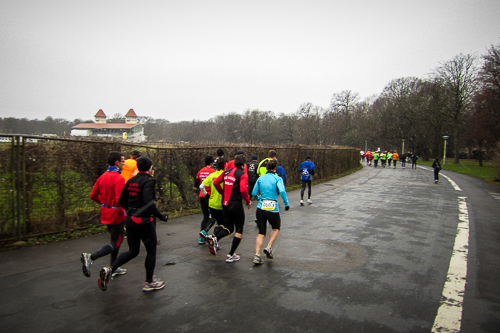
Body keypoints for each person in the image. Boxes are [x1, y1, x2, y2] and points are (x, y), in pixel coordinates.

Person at [97, 156, 169, 292]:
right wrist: (160, 216)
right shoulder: (149, 181)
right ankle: (149, 282)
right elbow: (149, 202)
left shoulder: (131, 180)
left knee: (133, 251)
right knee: (151, 250)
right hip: (144, 221)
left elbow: (122, 200)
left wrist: (131, 210)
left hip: (130, 219)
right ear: (149, 168)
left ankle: (110, 269)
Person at [81, 152, 126, 279]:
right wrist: (129, 210)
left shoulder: (102, 176)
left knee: (117, 239)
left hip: (105, 213)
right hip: (116, 214)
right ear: (117, 163)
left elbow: (93, 195)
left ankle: (114, 267)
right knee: (115, 242)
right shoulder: (119, 178)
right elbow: (120, 200)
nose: (124, 164)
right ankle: (91, 257)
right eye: (122, 161)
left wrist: (105, 203)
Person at [211, 155, 251, 263]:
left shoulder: (226, 172)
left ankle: (215, 238)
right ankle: (230, 255)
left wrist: (221, 192)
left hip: (225, 204)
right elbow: (243, 189)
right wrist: (248, 201)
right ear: (243, 165)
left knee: (229, 228)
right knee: (239, 229)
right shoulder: (243, 175)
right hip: (235, 204)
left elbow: (215, 182)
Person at [251, 160, 290, 265]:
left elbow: (254, 192)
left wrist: (259, 198)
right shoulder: (277, 179)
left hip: (261, 207)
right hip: (273, 207)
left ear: (267, 168)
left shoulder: (260, 178)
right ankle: (268, 247)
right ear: (275, 168)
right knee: (276, 227)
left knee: (261, 232)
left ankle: (257, 255)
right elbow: (282, 191)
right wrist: (286, 204)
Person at [199, 158, 226, 241]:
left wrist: (207, 195)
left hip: (211, 202)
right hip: (221, 203)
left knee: (214, 218)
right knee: (223, 224)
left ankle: (205, 231)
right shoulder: (225, 175)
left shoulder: (211, 175)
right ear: (225, 165)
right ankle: (214, 238)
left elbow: (201, 186)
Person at [194, 155, 216, 244]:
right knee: (213, 216)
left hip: (201, 195)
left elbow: (196, 183)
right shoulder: (213, 172)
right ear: (211, 163)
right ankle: (204, 232)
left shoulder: (200, 171)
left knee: (205, 216)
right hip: (210, 196)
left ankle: (201, 238)